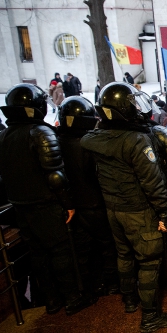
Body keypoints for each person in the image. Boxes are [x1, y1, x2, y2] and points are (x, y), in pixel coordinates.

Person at [81, 82, 167, 333]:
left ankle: (129, 301)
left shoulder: (93, 138)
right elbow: (153, 182)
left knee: (124, 256)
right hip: (139, 210)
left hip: (114, 208)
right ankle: (150, 317)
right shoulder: (137, 140)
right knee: (149, 260)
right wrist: (165, 212)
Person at [0, 84, 96, 316]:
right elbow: (55, 175)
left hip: (20, 205)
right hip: (46, 204)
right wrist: (67, 203)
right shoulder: (41, 133)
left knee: (38, 254)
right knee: (60, 251)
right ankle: (72, 298)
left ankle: (51, 301)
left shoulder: (1, 136)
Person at [57, 96, 119, 298]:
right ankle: (111, 286)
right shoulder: (90, 144)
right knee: (107, 248)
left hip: (73, 206)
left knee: (82, 252)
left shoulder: (57, 142)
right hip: (96, 204)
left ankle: (88, 289)